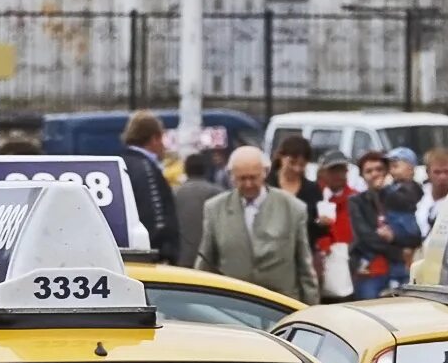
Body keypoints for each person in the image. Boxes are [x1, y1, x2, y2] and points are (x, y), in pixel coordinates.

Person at [195, 146, 319, 304]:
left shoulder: (293, 208)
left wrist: (310, 308)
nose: (248, 184)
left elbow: (304, 264)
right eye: (241, 178)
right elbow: (205, 261)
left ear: (265, 173)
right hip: (233, 306)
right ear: (231, 177)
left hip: (281, 305)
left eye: (253, 177)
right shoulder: (214, 208)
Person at [349, 150, 422, 299]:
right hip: (371, 270)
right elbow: (366, 237)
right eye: (369, 171)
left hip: (401, 270)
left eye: (379, 169)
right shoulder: (357, 202)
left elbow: (414, 235)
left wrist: (395, 237)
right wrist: (399, 252)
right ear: (362, 176)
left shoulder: (398, 195)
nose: (375, 174)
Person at [119, 110, 180, 263]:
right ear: (154, 138)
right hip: (148, 259)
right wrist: (165, 252)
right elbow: (155, 217)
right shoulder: (146, 169)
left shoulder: (120, 162)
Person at [267, 134, 323, 248]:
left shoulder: (312, 189)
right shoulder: (266, 185)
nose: (297, 169)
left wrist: (321, 223)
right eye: (292, 162)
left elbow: (316, 227)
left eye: (302, 165)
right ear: (280, 157)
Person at [316, 150, 357, 301]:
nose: (339, 175)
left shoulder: (355, 198)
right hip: (320, 262)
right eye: (334, 170)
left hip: (348, 265)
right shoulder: (315, 196)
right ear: (323, 173)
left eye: (342, 170)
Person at [174, 152, 223, 269]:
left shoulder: (175, 193)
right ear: (205, 169)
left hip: (182, 258)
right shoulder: (219, 193)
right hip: (210, 260)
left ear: (185, 170)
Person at [416, 147, 448, 236]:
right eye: (437, 172)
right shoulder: (418, 195)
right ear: (428, 172)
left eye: (447, 172)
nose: (442, 177)